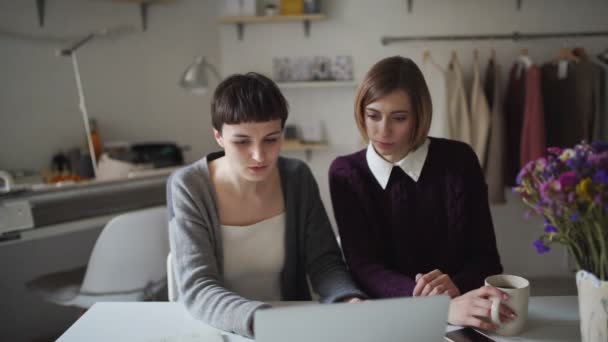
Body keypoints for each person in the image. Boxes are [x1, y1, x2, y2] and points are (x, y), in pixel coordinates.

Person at [167, 72, 365, 338]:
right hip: (218, 330)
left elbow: (324, 262)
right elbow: (198, 285)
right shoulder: (189, 185)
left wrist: (347, 301)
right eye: (242, 142)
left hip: (288, 329)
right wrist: (260, 319)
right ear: (218, 136)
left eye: (271, 139)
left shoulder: (297, 177)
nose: (259, 156)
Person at [329, 56, 513, 330]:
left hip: (461, 314)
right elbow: (363, 268)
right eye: (373, 115)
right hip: (386, 319)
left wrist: (455, 286)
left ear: (419, 116)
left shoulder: (459, 160)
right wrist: (436, 305)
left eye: (399, 118)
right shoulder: (346, 173)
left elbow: (487, 259)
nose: (383, 130)